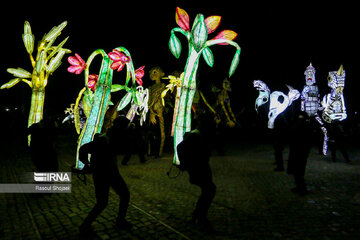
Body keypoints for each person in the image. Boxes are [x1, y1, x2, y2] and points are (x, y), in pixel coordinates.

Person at [79, 124, 132, 234]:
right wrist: (87, 164)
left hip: (109, 174)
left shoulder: (111, 139)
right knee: (103, 202)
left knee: (121, 195)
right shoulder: (103, 140)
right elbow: (83, 149)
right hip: (104, 175)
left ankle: (119, 221)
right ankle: (85, 225)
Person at [177, 112, 216, 231]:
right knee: (209, 190)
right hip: (198, 169)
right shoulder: (194, 135)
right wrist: (185, 165)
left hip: (201, 168)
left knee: (208, 191)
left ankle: (198, 214)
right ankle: (201, 217)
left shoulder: (200, 134)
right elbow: (180, 147)